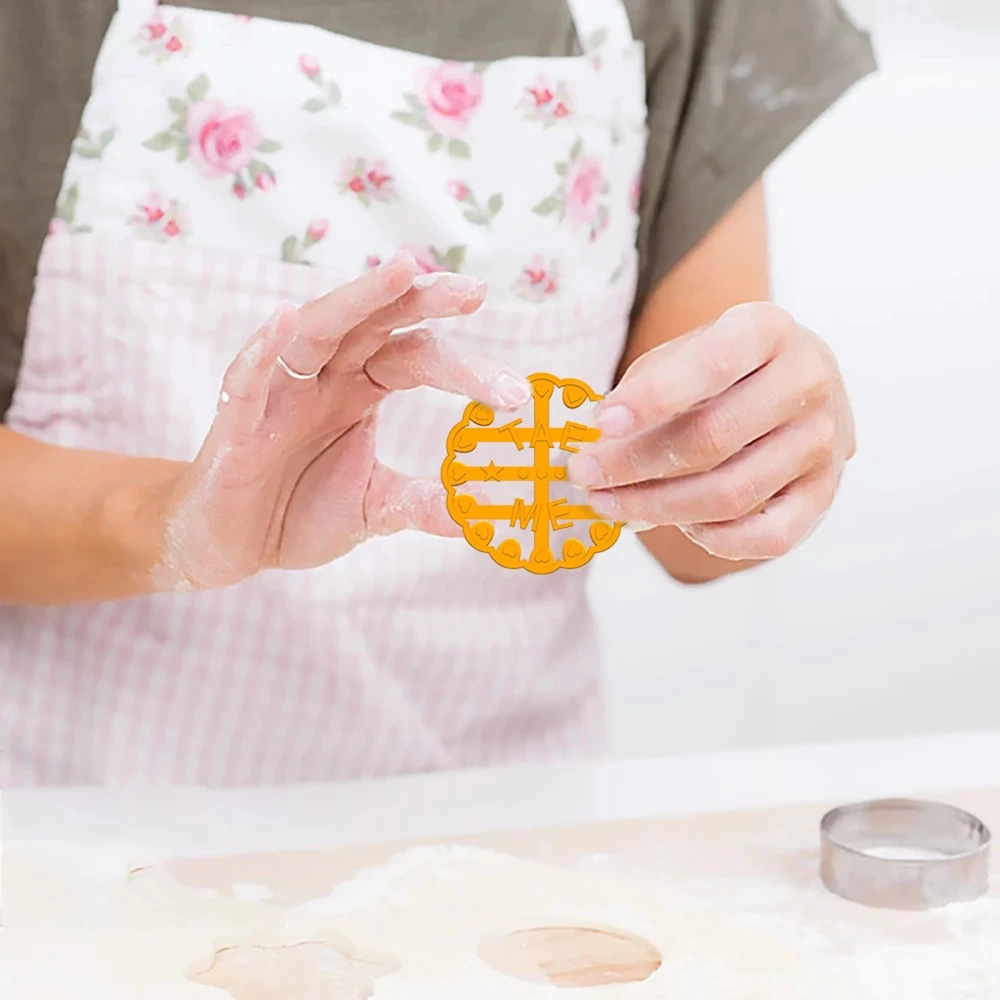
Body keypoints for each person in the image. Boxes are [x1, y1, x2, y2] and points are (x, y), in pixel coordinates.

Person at [0, 0, 875, 786]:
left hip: (486, 832)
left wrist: (757, 447)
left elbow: (688, 538)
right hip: (69, 827)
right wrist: (174, 523)